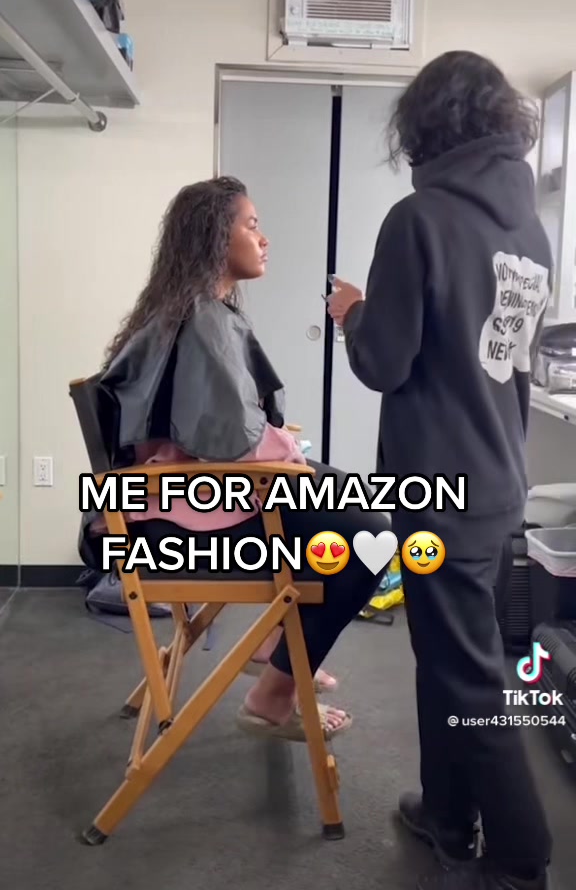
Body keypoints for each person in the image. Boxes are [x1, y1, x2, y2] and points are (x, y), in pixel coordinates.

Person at [326, 52, 554, 890]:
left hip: (440, 492)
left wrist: (353, 313)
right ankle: (449, 815)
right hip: (496, 484)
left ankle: (522, 860)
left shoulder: (417, 219)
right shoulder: (531, 232)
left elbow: (384, 362)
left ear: (425, 124)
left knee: (471, 676)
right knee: (449, 658)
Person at [81, 176, 391, 742]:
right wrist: (286, 456)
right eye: (251, 226)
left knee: (347, 500)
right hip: (186, 518)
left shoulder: (191, 310)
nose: (264, 239)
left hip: (175, 498)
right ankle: (272, 697)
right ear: (214, 238)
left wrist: (285, 454)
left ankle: (278, 646)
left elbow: (222, 430)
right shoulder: (201, 319)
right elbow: (232, 444)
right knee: (370, 536)